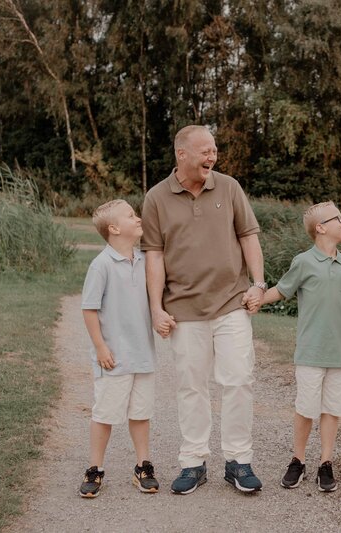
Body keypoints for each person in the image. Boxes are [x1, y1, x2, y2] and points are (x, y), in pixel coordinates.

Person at [140, 125, 266, 494]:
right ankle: (193, 462)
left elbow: (248, 236)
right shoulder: (156, 198)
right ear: (182, 154)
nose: (212, 157)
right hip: (183, 310)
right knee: (191, 387)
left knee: (238, 380)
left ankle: (238, 461)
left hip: (231, 303)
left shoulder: (229, 187)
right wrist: (155, 308)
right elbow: (154, 256)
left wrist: (258, 284)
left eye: (214, 150)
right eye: (205, 151)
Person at [259, 202, 341, 492]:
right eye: (338, 218)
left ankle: (326, 463)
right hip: (310, 351)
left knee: (333, 409)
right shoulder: (303, 261)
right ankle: (298, 459)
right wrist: (256, 299)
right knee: (306, 408)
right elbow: (281, 290)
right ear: (320, 228)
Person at [79, 199, 159, 498]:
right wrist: (100, 347)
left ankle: (143, 465)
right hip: (113, 357)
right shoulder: (101, 265)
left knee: (141, 413)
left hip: (142, 354)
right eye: (131, 216)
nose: (138, 218)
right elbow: (89, 309)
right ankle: (95, 468)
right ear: (114, 229)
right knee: (106, 414)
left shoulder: (144, 260)